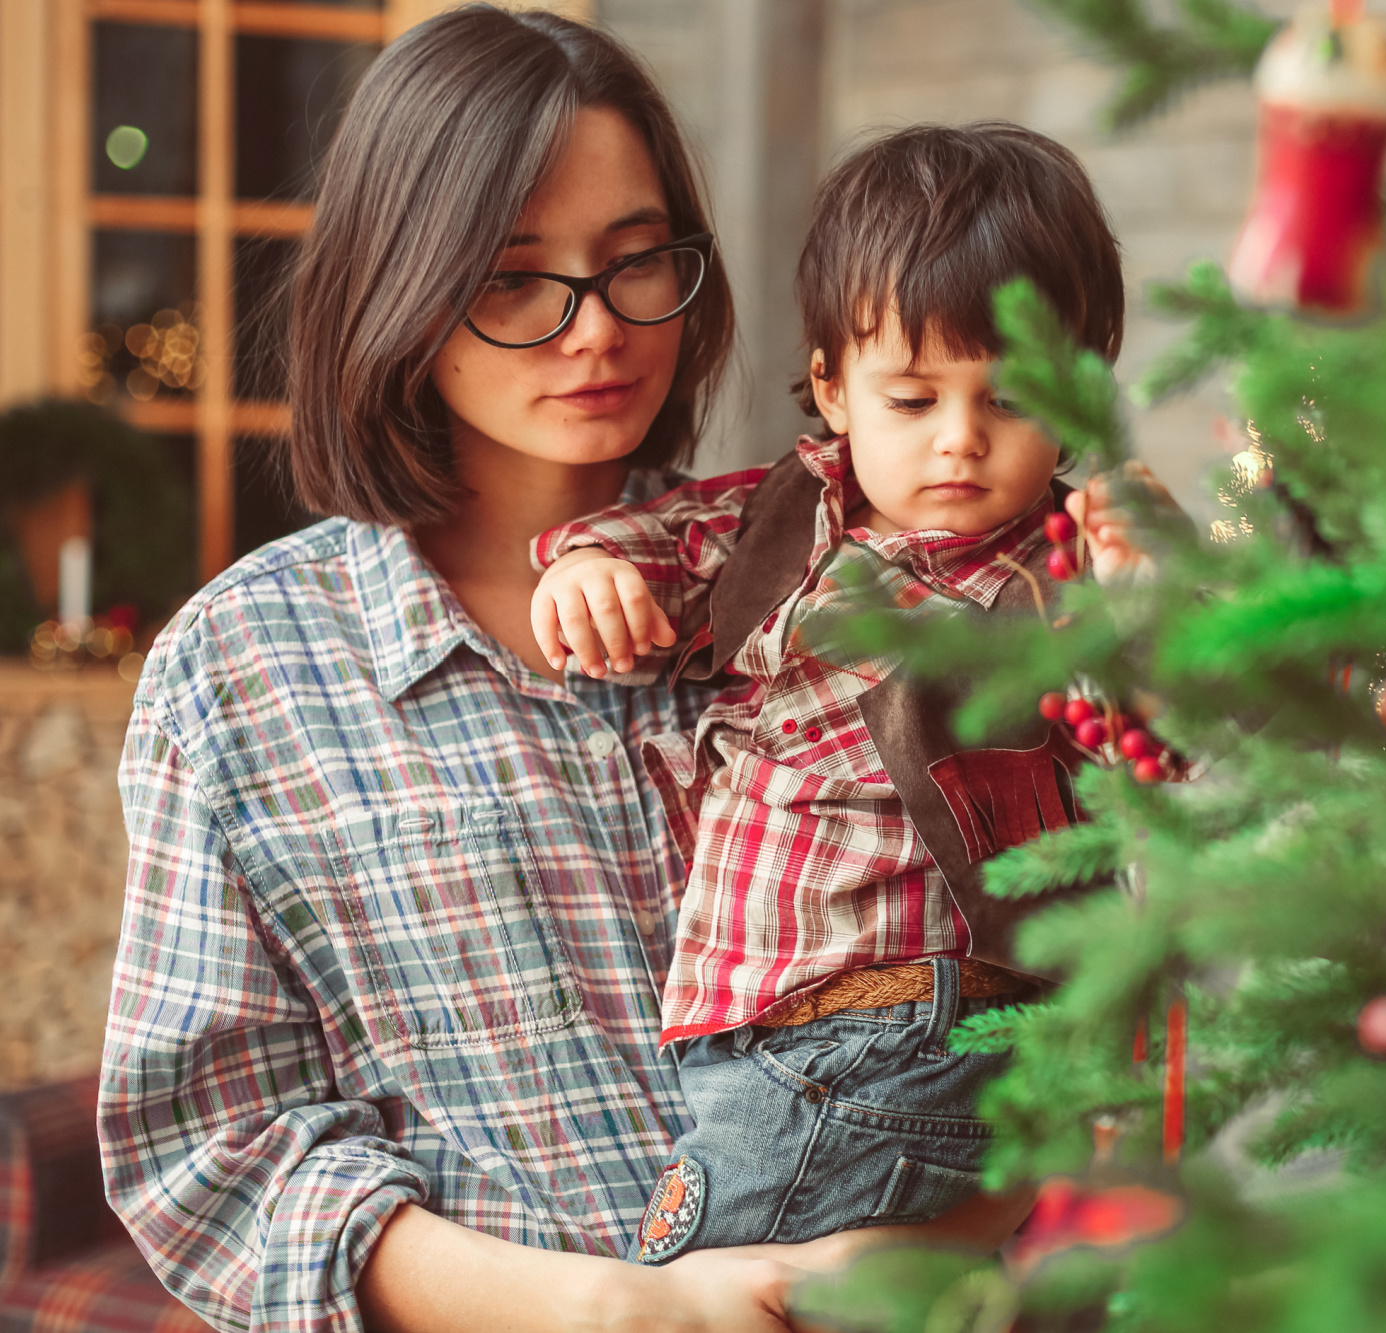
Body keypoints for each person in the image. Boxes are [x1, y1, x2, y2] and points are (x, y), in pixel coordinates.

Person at [100, 13, 1014, 1333]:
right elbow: (218, 1153)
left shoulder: (829, 589)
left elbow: (1026, 978)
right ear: (401, 284)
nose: (598, 330)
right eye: (518, 277)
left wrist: (957, 1242)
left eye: (641, 261)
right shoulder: (245, 670)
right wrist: (607, 1307)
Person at [527, 122, 1174, 1264]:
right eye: (914, 402)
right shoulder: (783, 514)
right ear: (831, 386)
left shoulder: (1056, 567)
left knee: (687, 1280)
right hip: (764, 1026)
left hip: (906, 1023)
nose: (960, 444)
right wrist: (587, 569)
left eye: (1011, 403)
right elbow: (659, 538)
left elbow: (1156, 738)